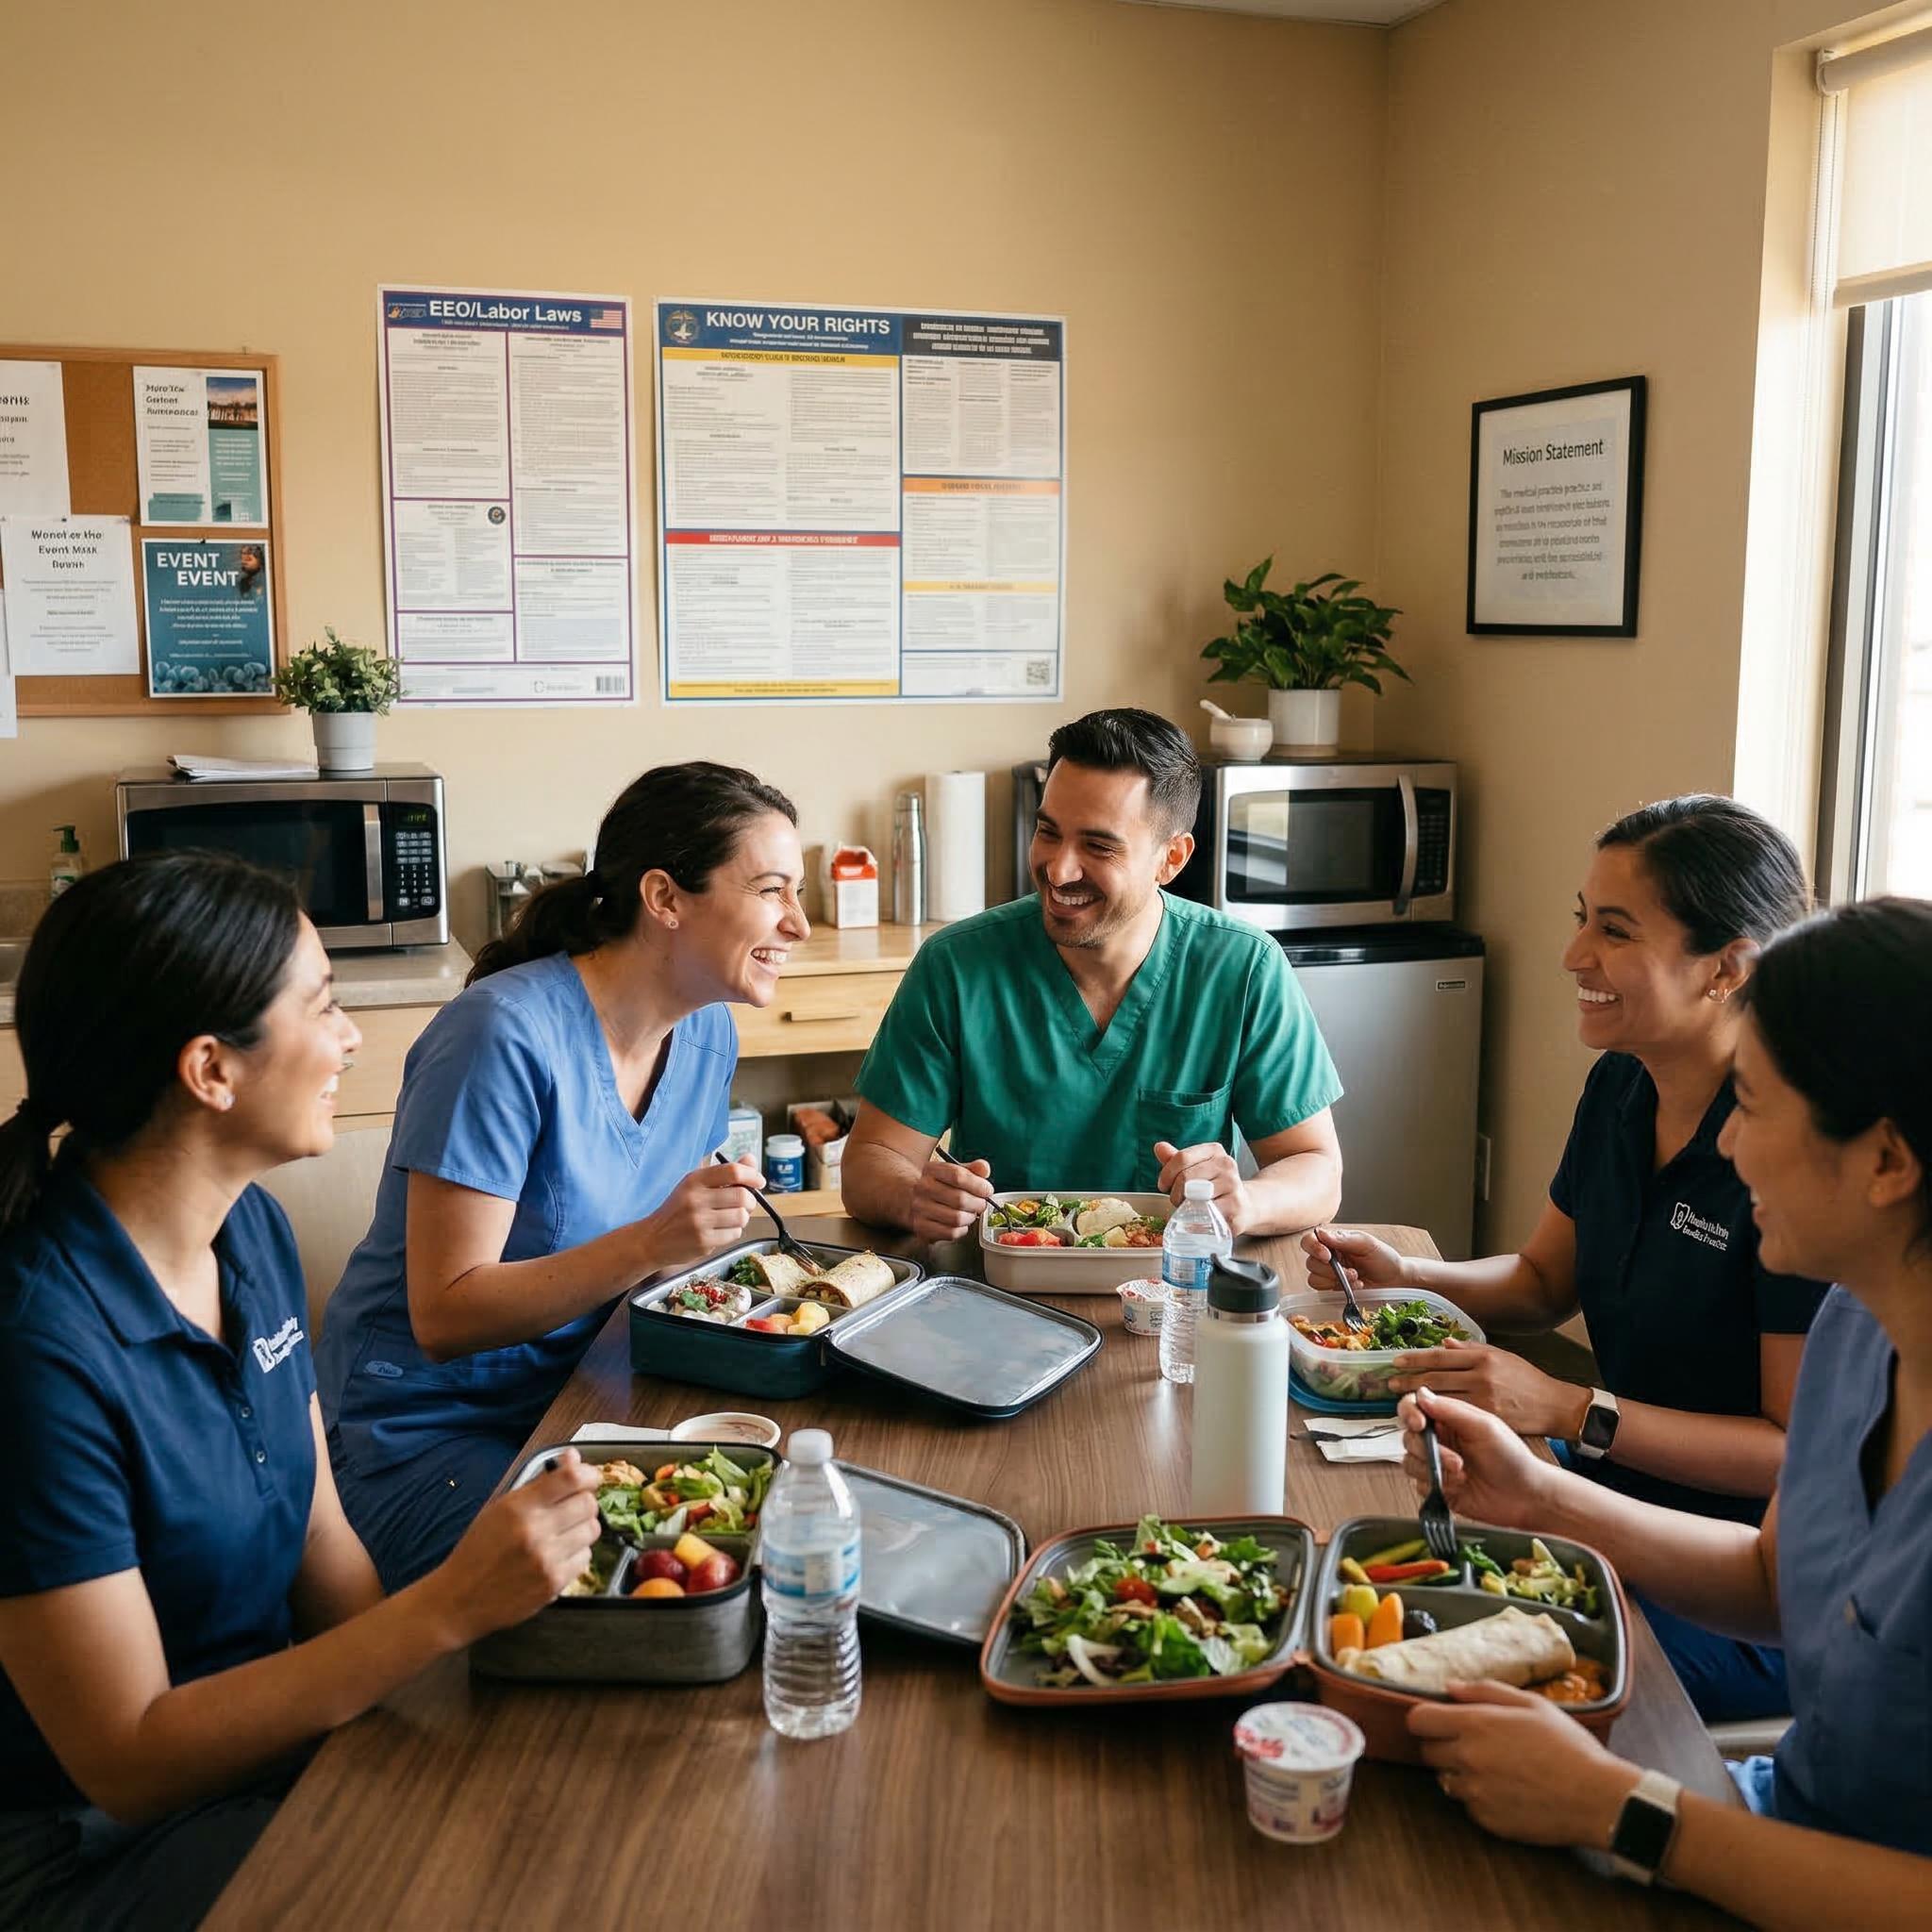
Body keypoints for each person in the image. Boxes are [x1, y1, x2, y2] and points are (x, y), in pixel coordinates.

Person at [0, 855, 601, 1932]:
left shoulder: (249, 1233)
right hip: (84, 1846)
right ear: (210, 1070)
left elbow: (322, 1535)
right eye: (322, 1005)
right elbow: (127, 1758)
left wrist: (428, 1708)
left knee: (558, 1799)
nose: (351, 1036)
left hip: (270, 1749)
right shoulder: (36, 1348)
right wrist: (445, 1609)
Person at [1393, 897, 1932, 1926]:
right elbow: (1774, 1582)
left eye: (1754, 1106)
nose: (1726, 1141)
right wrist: (1541, 1494)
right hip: (1762, 1828)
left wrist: (1622, 1810)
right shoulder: (1855, 1330)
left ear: (1884, 1162)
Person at [1303, 795, 1826, 1721]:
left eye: (1614, 931)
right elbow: (1545, 1282)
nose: (1573, 954)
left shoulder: (1794, 1162)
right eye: (1581, 918)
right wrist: (1407, 1272)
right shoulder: (1621, 1083)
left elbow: (1787, 1452)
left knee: (1439, 1673)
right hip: (1603, 1491)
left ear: (1727, 967)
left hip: (1734, 1573)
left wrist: (1573, 1410)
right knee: (1355, 1586)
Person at [317, 762, 803, 1591]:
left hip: (585, 1398)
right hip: (423, 1435)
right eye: (770, 891)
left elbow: (661, 1265)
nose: (797, 922)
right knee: (648, 1583)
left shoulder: (708, 1032)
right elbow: (444, 1313)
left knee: (762, 1535)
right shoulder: (499, 1035)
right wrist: (651, 1242)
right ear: (665, 898)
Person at [841, 708, 1343, 1241]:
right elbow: (872, 1161)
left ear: (1171, 858)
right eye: (1048, 832)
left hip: (1175, 1283)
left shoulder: (1244, 967)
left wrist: (1247, 1201)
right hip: (997, 1283)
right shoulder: (955, 965)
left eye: (1099, 846)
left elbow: (1315, 1168)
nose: (1059, 870)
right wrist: (914, 1197)